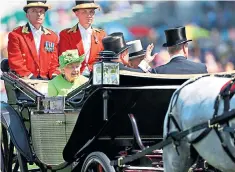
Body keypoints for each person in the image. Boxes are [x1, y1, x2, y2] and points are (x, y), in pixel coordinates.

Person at [8, 0, 60, 79]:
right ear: (27, 15)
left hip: (47, 82)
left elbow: (54, 62)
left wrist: (54, 77)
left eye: (41, 11)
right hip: (25, 82)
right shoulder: (16, 35)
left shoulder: (52, 36)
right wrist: (31, 78)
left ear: (44, 15)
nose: (39, 14)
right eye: (34, 11)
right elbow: (16, 61)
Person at [59, 0, 106, 75]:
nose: (89, 15)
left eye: (91, 12)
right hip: (74, 78)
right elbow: (64, 60)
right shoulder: (66, 35)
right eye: (84, 12)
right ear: (76, 13)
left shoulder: (101, 34)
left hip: (96, 77)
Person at [139, 26, 208, 74]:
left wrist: (145, 61)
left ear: (168, 50)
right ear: (184, 47)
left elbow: (137, 76)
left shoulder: (158, 71)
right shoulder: (201, 68)